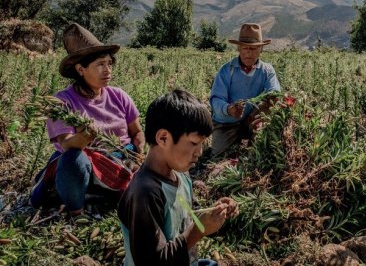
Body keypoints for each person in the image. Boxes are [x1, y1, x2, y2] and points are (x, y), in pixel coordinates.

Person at [30, 23, 144, 215]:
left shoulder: (119, 96)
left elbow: (137, 131)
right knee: (72, 161)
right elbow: (67, 145)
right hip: (83, 166)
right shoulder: (62, 102)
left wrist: (140, 149)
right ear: (80, 69)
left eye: (109, 63)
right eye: (100, 64)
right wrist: (84, 138)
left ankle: (103, 196)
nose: (107, 70)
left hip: (121, 161)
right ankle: (77, 211)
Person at [118, 89, 238, 266]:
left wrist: (215, 215)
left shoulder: (182, 175)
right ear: (163, 138)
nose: (200, 152)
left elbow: (189, 217)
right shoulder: (145, 192)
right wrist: (198, 230)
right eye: (194, 143)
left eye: (202, 144)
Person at [208, 23, 281, 157]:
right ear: (238, 48)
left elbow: (274, 93)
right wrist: (229, 109)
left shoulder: (267, 71)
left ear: (260, 50)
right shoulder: (226, 70)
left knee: (261, 153)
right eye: (245, 48)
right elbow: (216, 100)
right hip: (227, 123)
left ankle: (255, 145)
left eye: (253, 49)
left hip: (253, 120)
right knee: (219, 154)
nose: (248, 52)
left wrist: (263, 111)